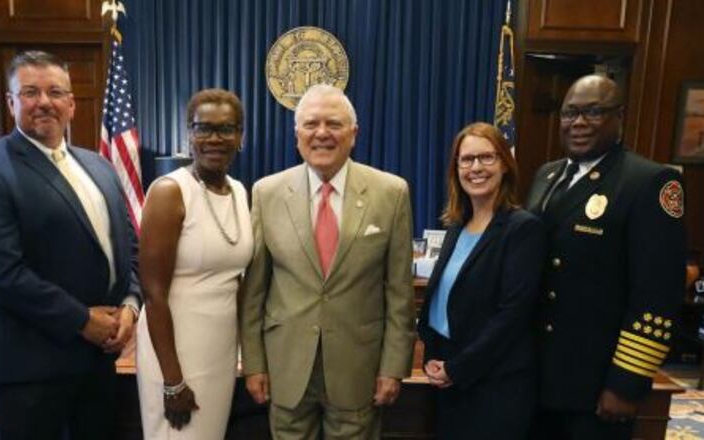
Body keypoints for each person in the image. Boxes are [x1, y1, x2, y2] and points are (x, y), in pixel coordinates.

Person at [0, 50, 141, 439]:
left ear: (71, 103)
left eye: (55, 92)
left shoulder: (99, 167)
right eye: (30, 92)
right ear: (11, 102)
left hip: (95, 363)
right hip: (28, 371)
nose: (44, 102)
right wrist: (82, 321)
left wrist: (130, 306)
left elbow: (129, 249)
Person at [239, 84, 416, 439]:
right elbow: (255, 290)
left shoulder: (391, 192)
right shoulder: (266, 192)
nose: (321, 133)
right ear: (296, 135)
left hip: (358, 370)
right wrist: (253, 364)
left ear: (354, 134)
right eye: (311, 124)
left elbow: (399, 292)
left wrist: (393, 367)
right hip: (285, 367)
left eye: (334, 124)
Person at [527, 75, 687, 440]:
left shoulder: (649, 182)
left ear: (620, 117)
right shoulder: (547, 175)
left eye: (594, 112)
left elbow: (658, 293)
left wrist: (627, 381)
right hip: (538, 375)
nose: (578, 123)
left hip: (595, 383)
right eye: (570, 113)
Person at [135, 89, 253, 439]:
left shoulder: (239, 191)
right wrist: (173, 380)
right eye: (204, 128)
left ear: (240, 137)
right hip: (175, 348)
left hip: (220, 347)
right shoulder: (169, 191)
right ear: (189, 134)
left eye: (226, 129)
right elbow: (153, 293)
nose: (214, 139)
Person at [417, 122, 546, 439]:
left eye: (486, 158)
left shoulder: (522, 229)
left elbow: (512, 315)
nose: (476, 168)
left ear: (504, 164)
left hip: (495, 384)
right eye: (466, 159)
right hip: (451, 376)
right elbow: (440, 300)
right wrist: (436, 359)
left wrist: (458, 368)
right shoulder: (456, 226)